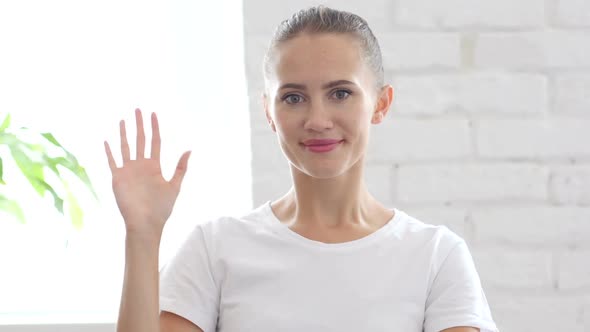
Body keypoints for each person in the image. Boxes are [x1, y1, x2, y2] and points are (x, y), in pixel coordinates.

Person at [105, 6, 499, 332]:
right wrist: (142, 235)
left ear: (380, 103)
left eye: (340, 93)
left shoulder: (435, 256)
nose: (317, 119)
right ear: (269, 113)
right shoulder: (215, 249)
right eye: (293, 98)